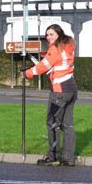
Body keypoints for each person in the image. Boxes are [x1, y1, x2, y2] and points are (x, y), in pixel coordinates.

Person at [23, 24, 77, 166]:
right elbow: (56, 61)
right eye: (47, 35)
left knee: (52, 123)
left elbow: (43, 66)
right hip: (71, 88)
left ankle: (52, 156)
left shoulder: (55, 48)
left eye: (51, 34)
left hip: (59, 91)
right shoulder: (69, 45)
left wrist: (27, 73)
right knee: (67, 125)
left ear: (58, 34)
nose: (48, 37)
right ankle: (68, 158)